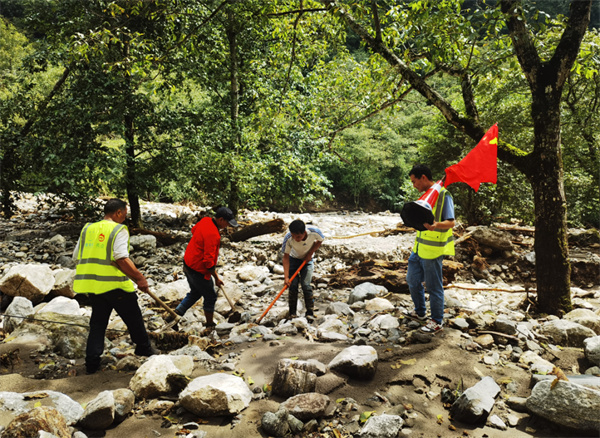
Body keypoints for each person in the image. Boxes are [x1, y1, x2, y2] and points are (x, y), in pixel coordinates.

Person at [73, 198, 157, 374]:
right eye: (124, 214)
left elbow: (76, 256)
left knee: (98, 323)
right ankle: (143, 347)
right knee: (133, 317)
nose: (125, 218)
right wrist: (139, 278)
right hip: (115, 285)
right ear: (118, 212)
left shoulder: (88, 228)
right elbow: (120, 258)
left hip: (93, 285)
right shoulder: (119, 229)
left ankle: (91, 362)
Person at [405, 164, 455, 333]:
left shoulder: (444, 195)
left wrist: (436, 225)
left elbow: (451, 222)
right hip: (418, 248)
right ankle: (420, 313)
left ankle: (436, 321)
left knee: (434, 287)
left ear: (423, 178)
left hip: (433, 250)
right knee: (412, 280)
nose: (414, 185)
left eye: (414, 181)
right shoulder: (426, 195)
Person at [170, 207, 239, 330]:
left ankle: (175, 315)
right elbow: (208, 262)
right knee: (210, 296)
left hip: (188, 263)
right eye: (227, 222)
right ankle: (209, 325)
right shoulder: (213, 235)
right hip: (198, 269)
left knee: (195, 293)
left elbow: (193, 230)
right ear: (221, 219)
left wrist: (200, 243)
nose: (228, 225)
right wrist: (216, 278)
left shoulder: (205, 220)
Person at [282, 219, 324, 320]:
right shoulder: (288, 238)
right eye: (293, 236)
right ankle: (292, 313)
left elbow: (320, 240)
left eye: (298, 237)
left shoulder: (314, 232)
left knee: (306, 285)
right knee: (292, 285)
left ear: (304, 232)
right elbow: (286, 257)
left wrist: (310, 253)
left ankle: (309, 312)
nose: (295, 239)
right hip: (293, 260)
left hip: (307, 261)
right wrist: (286, 277)